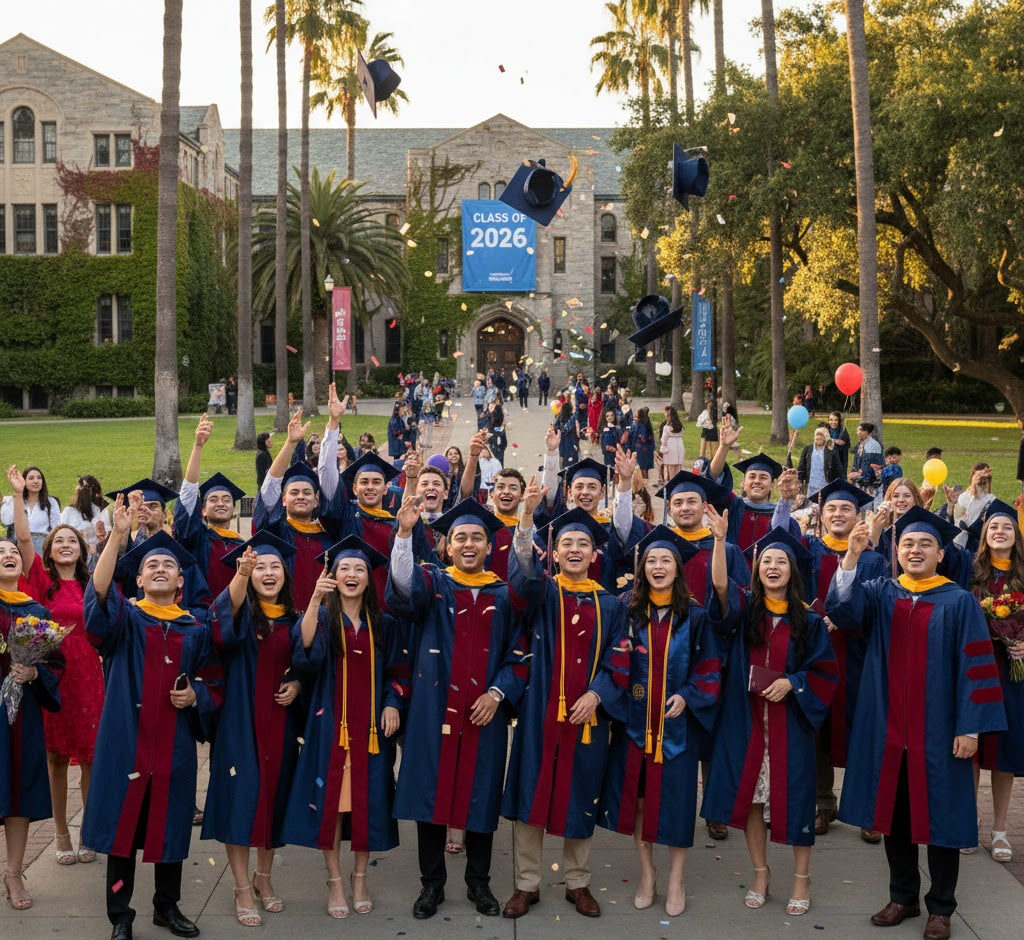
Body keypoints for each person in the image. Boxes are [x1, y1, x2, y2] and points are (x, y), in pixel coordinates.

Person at [827, 507, 1008, 940]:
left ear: (941, 554)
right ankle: (903, 896)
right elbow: (844, 612)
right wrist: (850, 556)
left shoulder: (959, 601)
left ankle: (941, 907)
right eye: (907, 543)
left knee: (944, 819)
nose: (915, 550)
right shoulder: (881, 592)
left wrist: (970, 728)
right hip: (889, 730)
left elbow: (977, 667)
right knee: (896, 816)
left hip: (940, 732)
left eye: (925, 544)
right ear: (896, 551)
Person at [387, 498, 530, 921]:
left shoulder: (505, 595)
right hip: (433, 712)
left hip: (483, 714)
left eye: (477, 538)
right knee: (431, 796)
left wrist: (497, 694)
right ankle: (432, 885)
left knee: (480, 796)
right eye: (460, 538)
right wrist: (404, 535)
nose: (469, 544)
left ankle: (478, 883)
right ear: (447, 547)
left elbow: (520, 655)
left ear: (490, 547)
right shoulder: (433, 584)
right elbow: (403, 590)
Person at [84, 499, 214, 940]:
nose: (160, 568)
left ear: (180, 580)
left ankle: (167, 907)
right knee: (124, 832)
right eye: (152, 564)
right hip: (126, 742)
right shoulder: (125, 620)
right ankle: (121, 915)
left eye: (169, 565)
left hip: (173, 746)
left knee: (171, 827)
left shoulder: (194, 630)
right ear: (137, 578)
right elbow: (99, 596)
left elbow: (214, 683)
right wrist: (119, 537)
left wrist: (197, 696)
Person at [501, 501, 629, 920]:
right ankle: (527, 884)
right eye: (567, 543)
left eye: (584, 544)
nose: (574, 549)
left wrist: (597, 693)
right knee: (530, 792)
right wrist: (524, 525)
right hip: (540, 712)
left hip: (587, 719)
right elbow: (520, 586)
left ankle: (577, 881)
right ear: (553, 553)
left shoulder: (610, 605)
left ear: (595, 555)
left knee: (581, 794)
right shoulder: (542, 593)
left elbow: (622, 657)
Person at [702, 527, 837, 917]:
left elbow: (825, 673)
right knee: (751, 799)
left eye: (781, 561)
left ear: (792, 572)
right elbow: (720, 588)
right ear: (756, 570)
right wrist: (719, 541)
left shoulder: (809, 621)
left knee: (795, 799)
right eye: (766, 562)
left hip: (789, 724)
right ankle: (760, 874)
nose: (773, 567)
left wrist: (792, 683)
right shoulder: (746, 611)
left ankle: (801, 878)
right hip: (747, 722)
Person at [598, 525, 727, 917]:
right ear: (642, 569)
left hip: (677, 730)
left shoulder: (696, 615)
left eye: (665, 560)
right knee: (638, 804)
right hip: (635, 727)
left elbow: (710, 666)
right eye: (651, 560)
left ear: (677, 568)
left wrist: (687, 696)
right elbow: (614, 659)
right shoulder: (627, 609)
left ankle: (675, 878)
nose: (657, 566)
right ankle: (647, 874)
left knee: (677, 804)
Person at [282, 535, 408, 919]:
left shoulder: (382, 623)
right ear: (332, 576)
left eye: (359, 569)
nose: (352, 574)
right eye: (344, 569)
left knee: (367, 803)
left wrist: (392, 703)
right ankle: (335, 879)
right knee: (332, 805)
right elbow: (303, 654)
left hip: (370, 732)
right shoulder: (321, 617)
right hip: (330, 729)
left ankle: (359, 877)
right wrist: (315, 600)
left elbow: (397, 672)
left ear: (369, 579)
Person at [775, 480, 888, 840]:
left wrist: (841, 616)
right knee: (816, 726)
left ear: (859, 516)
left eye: (846, 510)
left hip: (857, 655)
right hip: (813, 653)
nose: (838, 515)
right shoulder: (808, 549)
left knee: (862, 730)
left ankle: (870, 809)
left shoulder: (874, 560)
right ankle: (824, 803)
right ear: (820, 515)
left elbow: (879, 607)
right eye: (832, 510)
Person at [202, 533, 302, 927]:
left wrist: (296, 684)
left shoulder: (294, 619)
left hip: (279, 722)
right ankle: (242, 886)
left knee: (272, 797)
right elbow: (220, 633)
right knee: (240, 799)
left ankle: (264, 877)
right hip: (240, 722)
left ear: (286, 573)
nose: (268, 572)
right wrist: (240, 576)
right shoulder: (239, 611)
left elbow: (306, 664)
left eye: (275, 566)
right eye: (260, 566)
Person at [8, 468, 102, 867]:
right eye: (59, 540)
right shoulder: (40, 583)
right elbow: (25, 538)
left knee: (92, 758)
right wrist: (17, 496)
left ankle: (90, 830)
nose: (65, 545)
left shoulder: (92, 583)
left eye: (72, 541)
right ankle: (61, 832)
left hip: (90, 676)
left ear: (82, 550)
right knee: (57, 758)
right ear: (49, 552)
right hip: (54, 676)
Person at [0, 529, 64, 910]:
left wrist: (34, 674)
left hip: (20, 713)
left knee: (18, 788)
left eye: (13, 551)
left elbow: (57, 663)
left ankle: (13, 872)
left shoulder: (36, 612)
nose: (8, 554)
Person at [967, 500, 1024, 862]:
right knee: (971, 748)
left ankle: (1000, 831)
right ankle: (967, 823)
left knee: (1005, 753)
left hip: (1013, 676)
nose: (1000, 531)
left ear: (1016, 535)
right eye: (993, 527)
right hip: (976, 673)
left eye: (1006, 526)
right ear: (984, 537)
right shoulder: (971, 575)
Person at [254, 411, 340, 611]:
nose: (301, 496)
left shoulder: (329, 536)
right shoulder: (277, 532)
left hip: (325, 619)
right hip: (286, 618)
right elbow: (269, 491)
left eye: (307, 493)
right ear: (283, 499)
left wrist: (334, 422)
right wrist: (290, 443)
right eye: (294, 492)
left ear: (316, 499)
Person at [537, 450, 648, 594]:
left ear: (602, 492)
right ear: (569, 492)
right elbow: (550, 499)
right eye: (579, 487)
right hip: (563, 601)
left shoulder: (610, 529)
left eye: (592, 487)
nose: (585, 492)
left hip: (605, 604)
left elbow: (623, 524)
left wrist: (625, 482)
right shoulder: (562, 526)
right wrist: (551, 453)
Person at [174, 415, 247, 601]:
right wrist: (198, 447)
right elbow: (188, 496)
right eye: (213, 499)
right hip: (203, 617)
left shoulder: (242, 546)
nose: (221, 503)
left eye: (226, 500)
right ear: (203, 510)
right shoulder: (197, 538)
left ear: (234, 509)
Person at [706, 427, 803, 556]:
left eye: (763, 477)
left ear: (772, 485)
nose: (757, 481)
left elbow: (784, 542)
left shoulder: (780, 514)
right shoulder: (732, 507)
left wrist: (786, 501)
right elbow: (712, 484)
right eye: (752, 476)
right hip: (731, 572)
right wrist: (724, 447)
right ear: (743, 484)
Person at [2, 466, 60, 553]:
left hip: (43, 547)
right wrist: (17, 493)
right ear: (24, 481)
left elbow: (56, 528)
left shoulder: (51, 502)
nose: (36, 481)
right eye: (31, 478)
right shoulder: (16, 500)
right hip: (20, 546)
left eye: (39, 478)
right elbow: (5, 520)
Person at [60, 474, 111, 559]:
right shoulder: (68, 512)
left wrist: (98, 544)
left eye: (87, 488)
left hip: (96, 556)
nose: (84, 491)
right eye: (82, 487)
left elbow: (107, 535)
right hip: (74, 556)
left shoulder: (102, 511)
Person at [789, 426, 842, 496]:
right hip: (811, 486)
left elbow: (838, 469)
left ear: (826, 437)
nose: (819, 437)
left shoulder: (831, 451)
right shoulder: (807, 449)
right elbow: (801, 467)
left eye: (822, 435)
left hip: (826, 486)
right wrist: (799, 481)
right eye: (817, 435)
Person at [848, 422, 883, 495]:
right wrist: (853, 473)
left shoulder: (873, 445)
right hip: (859, 481)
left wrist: (860, 475)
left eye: (861, 430)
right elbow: (857, 462)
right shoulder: (861, 444)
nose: (858, 433)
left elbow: (874, 466)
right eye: (858, 431)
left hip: (870, 483)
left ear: (868, 432)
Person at [627, 407, 656, 485]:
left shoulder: (638, 426)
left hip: (640, 450)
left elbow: (633, 437)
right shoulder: (647, 424)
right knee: (645, 469)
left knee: (641, 469)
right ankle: (645, 484)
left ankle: (643, 486)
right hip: (647, 450)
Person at [659, 408, 685, 481]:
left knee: (671, 469)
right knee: (678, 468)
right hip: (679, 446)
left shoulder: (666, 427)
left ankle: (671, 484)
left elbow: (663, 440)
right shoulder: (681, 427)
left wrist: (663, 446)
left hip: (670, 447)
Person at [553, 403, 580, 469]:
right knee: (572, 460)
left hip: (562, 441)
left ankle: (562, 474)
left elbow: (555, 428)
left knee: (563, 458)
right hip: (571, 440)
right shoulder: (572, 417)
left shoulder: (559, 417)